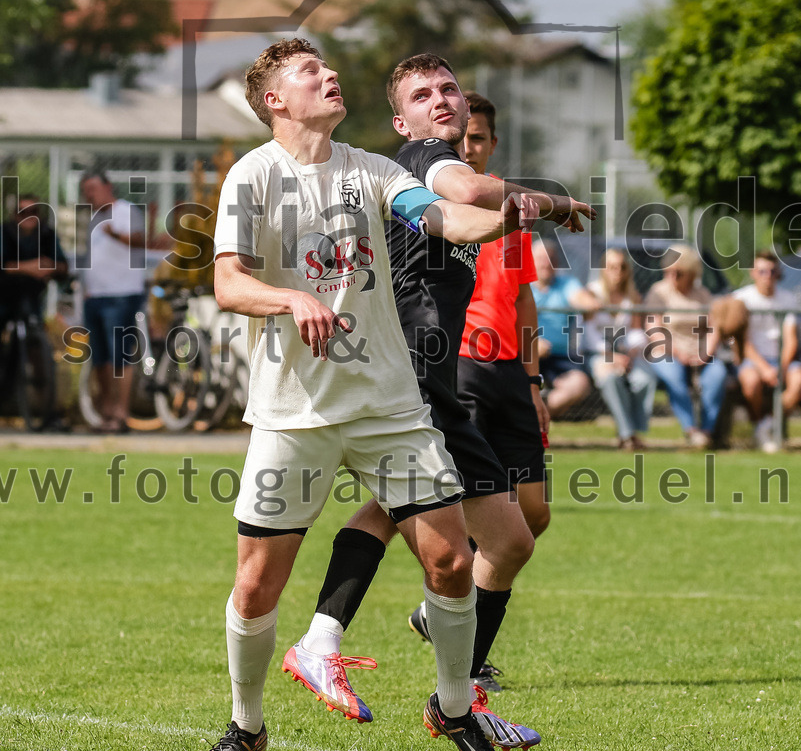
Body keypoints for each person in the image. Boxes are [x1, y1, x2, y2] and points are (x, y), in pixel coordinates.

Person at [210, 38, 541, 751]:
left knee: (452, 560)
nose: (330, 76)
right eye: (311, 73)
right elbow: (227, 283)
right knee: (257, 587)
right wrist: (289, 299)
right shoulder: (252, 177)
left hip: (390, 402)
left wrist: (507, 218)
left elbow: (442, 218)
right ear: (275, 100)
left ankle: (455, 710)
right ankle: (247, 725)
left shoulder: (375, 170)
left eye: (328, 68)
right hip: (293, 409)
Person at [286, 53, 593, 738]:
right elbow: (466, 185)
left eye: (449, 88)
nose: (442, 101)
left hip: (440, 380)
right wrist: (551, 201)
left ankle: (419, 682)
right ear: (404, 120)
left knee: (508, 540)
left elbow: (476, 206)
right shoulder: (424, 159)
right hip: (409, 374)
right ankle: (363, 660)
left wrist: (534, 209)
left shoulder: (440, 172)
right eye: (423, 95)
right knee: (434, 534)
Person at [456, 92, 551, 538]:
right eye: (460, 137)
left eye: (476, 138)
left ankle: (441, 607)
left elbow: (524, 300)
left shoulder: (513, 208)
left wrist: (533, 384)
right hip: (459, 367)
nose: (467, 147)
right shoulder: (432, 205)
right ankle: (452, 604)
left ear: (493, 143)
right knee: (473, 507)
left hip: (511, 371)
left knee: (535, 514)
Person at [0, 194, 68, 432]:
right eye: (22, 212)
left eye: (33, 212)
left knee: (38, 353)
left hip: (29, 298)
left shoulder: (47, 235)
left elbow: (62, 267)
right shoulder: (4, 232)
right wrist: (31, 267)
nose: (28, 217)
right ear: (14, 214)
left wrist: (50, 266)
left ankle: (49, 414)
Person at [79, 170, 147, 434]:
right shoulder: (94, 218)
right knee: (100, 359)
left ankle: (121, 414)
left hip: (122, 295)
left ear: (108, 187)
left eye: (93, 188)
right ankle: (106, 413)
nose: (89, 194)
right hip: (95, 296)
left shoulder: (125, 211)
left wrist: (116, 235)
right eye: (86, 190)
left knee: (120, 357)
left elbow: (141, 240)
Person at [644, 244, 728, 448]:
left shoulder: (702, 294)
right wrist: (677, 352)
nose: (672, 275)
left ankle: (707, 431)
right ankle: (691, 429)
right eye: (668, 271)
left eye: (678, 272)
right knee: (674, 376)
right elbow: (653, 329)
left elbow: (714, 326)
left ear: (691, 273)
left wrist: (705, 353)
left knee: (718, 375)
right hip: (666, 351)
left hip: (700, 353)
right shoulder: (659, 292)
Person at [733, 251, 801, 452]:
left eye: (772, 271)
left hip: (781, 359)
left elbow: (790, 339)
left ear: (778, 273)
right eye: (762, 271)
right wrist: (764, 368)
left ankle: (768, 425)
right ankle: (759, 425)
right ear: (753, 273)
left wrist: (781, 368)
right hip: (752, 359)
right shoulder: (741, 299)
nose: (767, 276)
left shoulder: (788, 299)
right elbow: (743, 342)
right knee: (751, 382)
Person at [583, 247, 656, 450]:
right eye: (612, 267)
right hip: (598, 354)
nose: (617, 272)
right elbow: (589, 335)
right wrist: (612, 357)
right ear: (603, 269)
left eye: (622, 267)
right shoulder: (592, 293)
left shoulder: (632, 297)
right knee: (612, 379)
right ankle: (627, 435)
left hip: (626, 355)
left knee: (645, 379)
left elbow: (636, 332)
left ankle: (635, 431)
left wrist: (629, 351)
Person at [531, 239, 599, 417]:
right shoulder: (523, 287)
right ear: (530, 260)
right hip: (527, 354)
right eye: (541, 258)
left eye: (551, 258)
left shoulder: (566, 283)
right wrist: (532, 344)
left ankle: (539, 417)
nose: (547, 263)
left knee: (580, 384)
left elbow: (583, 300)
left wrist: (587, 303)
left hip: (560, 356)